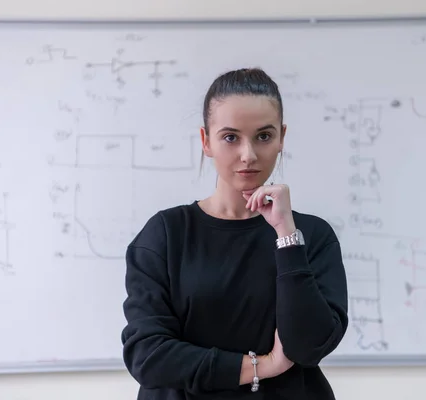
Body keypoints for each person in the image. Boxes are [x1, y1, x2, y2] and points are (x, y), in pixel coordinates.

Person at [121, 67, 349, 399]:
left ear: (281, 137)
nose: (248, 155)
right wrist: (263, 366)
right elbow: (147, 356)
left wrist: (286, 234)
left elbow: (309, 346)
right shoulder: (166, 235)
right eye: (231, 137)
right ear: (206, 141)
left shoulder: (311, 235)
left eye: (264, 136)